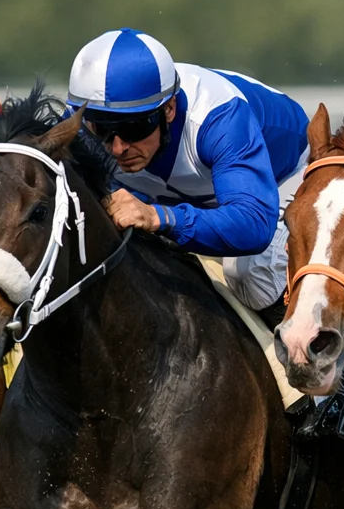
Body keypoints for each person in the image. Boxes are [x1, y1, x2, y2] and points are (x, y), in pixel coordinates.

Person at [65, 28, 309, 326]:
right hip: (187, 193)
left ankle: (332, 364)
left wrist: (160, 217)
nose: (117, 148)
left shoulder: (218, 118)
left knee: (252, 271)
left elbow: (254, 226)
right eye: (101, 128)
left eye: (133, 127)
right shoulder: (78, 128)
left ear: (168, 109)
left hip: (282, 177)